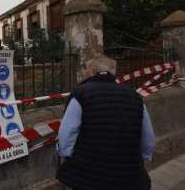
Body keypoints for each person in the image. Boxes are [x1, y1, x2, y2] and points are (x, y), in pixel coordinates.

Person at [56, 55, 155, 190]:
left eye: (87, 70)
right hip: (128, 175)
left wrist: (64, 155)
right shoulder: (134, 96)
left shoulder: (81, 93)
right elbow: (147, 134)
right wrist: (145, 155)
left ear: (92, 71)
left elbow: (67, 132)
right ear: (113, 72)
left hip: (88, 174)